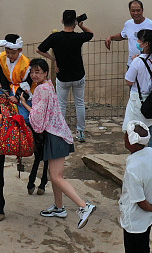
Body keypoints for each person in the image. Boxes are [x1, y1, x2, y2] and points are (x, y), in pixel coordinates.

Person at [18, 58, 96, 229]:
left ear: (46, 73)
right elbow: (43, 109)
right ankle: (59, 208)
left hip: (55, 136)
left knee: (56, 177)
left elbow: (37, 117)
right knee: (55, 176)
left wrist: (23, 104)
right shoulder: (48, 85)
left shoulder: (42, 89)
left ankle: (84, 206)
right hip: (59, 134)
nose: (34, 75)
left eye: (38, 72)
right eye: (32, 72)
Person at [36, 10, 94, 142]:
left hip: (62, 77)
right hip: (78, 75)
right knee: (79, 104)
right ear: (74, 22)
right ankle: (80, 132)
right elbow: (90, 34)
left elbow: (39, 49)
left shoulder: (55, 37)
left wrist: (53, 59)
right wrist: (81, 25)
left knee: (61, 105)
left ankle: (61, 132)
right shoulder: (78, 37)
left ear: (62, 21)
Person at [120, 121, 152, 253]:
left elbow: (141, 202)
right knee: (144, 247)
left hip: (134, 222)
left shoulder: (132, 169)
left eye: (125, 135)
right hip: (147, 219)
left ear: (131, 142)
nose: (124, 137)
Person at [0, 34, 32, 120]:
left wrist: (17, 97)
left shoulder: (26, 64)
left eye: (13, 53)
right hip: (9, 88)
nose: (10, 55)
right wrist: (5, 89)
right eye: (7, 52)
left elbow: (28, 84)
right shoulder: (2, 57)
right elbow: (2, 74)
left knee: (25, 118)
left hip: (21, 91)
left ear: (20, 50)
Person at [105, 0, 152, 65]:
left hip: (148, 64)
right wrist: (111, 38)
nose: (135, 13)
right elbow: (122, 35)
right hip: (132, 63)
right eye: (133, 11)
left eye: (138, 10)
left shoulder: (151, 25)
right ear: (129, 11)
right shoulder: (128, 24)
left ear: (142, 10)